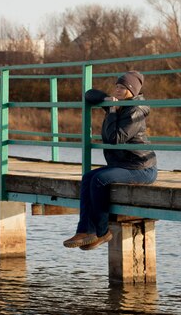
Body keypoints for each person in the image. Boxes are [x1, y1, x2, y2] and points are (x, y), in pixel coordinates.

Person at [63, 71, 157, 250]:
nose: (118, 90)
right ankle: (85, 230)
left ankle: (102, 232)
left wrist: (112, 109)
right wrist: (107, 100)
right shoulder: (118, 105)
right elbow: (89, 94)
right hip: (123, 165)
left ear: (132, 91)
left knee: (100, 179)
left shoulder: (135, 111)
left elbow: (116, 139)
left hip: (141, 168)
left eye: (123, 87)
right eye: (117, 86)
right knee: (88, 177)